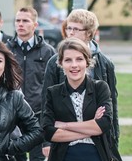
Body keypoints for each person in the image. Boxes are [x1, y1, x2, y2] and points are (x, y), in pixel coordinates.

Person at [6, 7, 55, 161]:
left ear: (35, 25)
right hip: (12, 118)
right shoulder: (7, 50)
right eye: (18, 20)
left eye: (25, 21)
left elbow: (51, 90)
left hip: (36, 117)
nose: (21, 24)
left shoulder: (48, 53)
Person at [43, 9, 119, 143]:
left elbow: (112, 104)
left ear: (89, 33)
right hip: (63, 138)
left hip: (99, 138)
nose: (70, 33)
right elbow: (46, 104)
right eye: (69, 28)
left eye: (76, 29)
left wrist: (114, 139)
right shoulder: (55, 62)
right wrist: (47, 142)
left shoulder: (105, 63)